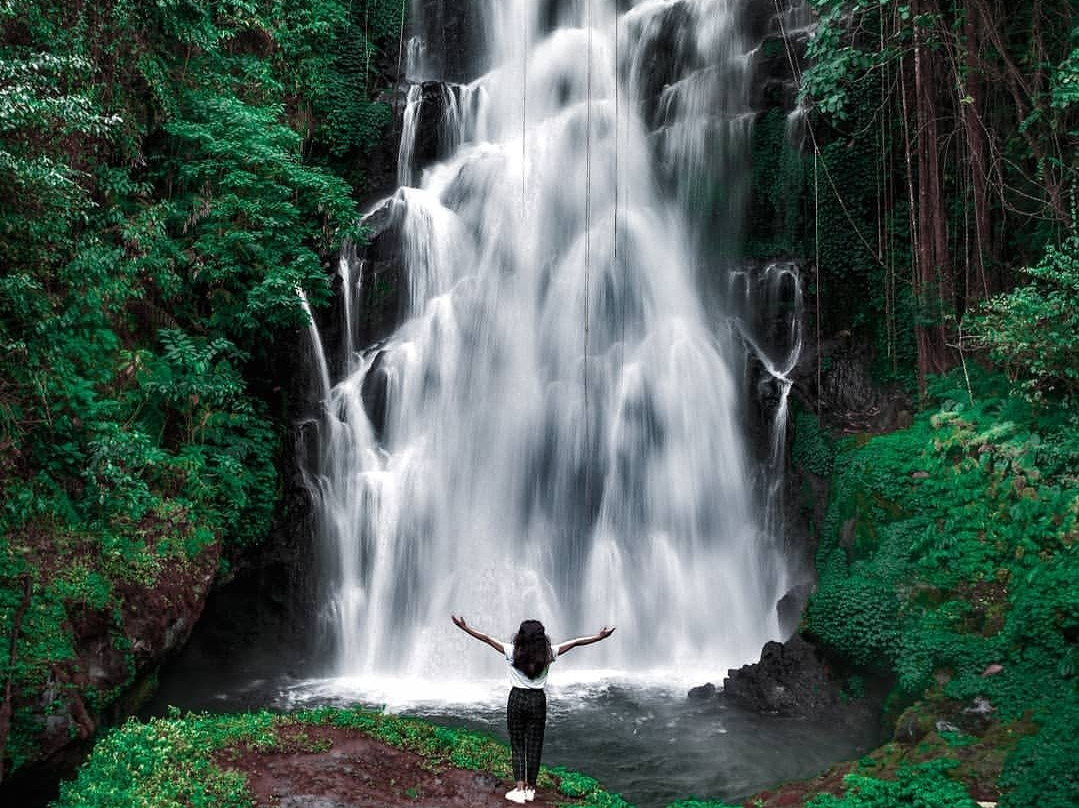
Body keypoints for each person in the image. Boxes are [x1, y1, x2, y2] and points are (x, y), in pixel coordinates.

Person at [451, 615, 615, 804]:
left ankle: (519, 789)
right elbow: (577, 643)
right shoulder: (549, 654)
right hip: (538, 700)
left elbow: (486, 638)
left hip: (517, 698)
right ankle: (531, 789)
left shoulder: (512, 651)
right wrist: (599, 637)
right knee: (534, 746)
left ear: (521, 636)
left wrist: (465, 628)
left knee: (517, 745)